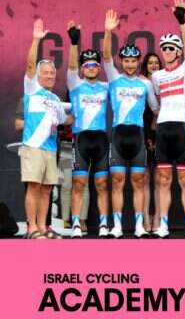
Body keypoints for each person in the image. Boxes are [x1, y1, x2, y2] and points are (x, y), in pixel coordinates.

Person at [103, 9, 159, 238]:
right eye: (125, 61)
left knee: (138, 181)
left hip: (137, 137)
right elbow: (106, 57)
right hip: (118, 135)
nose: (129, 64)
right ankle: (117, 226)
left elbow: (155, 109)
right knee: (117, 182)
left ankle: (138, 226)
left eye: (133, 61)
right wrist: (108, 32)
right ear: (122, 62)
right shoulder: (114, 78)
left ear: (138, 62)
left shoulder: (146, 84)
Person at [151, 0, 185, 238]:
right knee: (163, 179)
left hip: (181, 128)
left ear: (178, 52)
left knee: (184, 179)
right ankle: (163, 225)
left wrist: (182, 22)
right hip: (163, 128)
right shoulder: (156, 76)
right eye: (164, 48)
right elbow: (157, 104)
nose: (167, 52)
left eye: (171, 48)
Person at [20, 19, 71, 239]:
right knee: (33, 187)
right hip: (33, 147)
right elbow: (31, 65)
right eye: (46, 72)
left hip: (51, 148)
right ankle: (31, 228)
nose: (50, 76)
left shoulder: (56, 100)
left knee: (47, 189)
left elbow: (64, 120)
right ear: (38, 75)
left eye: (52, 73)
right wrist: (36, 40)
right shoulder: (31, 89)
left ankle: (42, 227)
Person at [65, 21, 111, 238]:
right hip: (81, 139)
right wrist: (74, 43)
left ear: (99, 68)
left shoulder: (107, 86)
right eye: (87, 65)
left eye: (94, 65)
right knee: (78, 183)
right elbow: (71, 67)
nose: (91, 68)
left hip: (101, 139)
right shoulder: (75, 84)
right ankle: (76, 224)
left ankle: (103, 224)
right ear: (82, 69)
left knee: (102, 184)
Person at [140, 52, 163, 233]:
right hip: (142, 131)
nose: (154, 65)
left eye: (156, 62)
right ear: (145, 66)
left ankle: (158, 219)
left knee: (159, 179)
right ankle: (146, 219)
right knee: (145, 178)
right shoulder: (139, 84)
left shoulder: (164, 83)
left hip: (161, 132)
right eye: (150, 63)